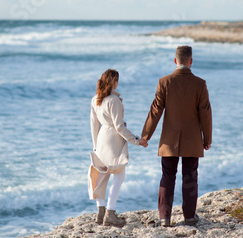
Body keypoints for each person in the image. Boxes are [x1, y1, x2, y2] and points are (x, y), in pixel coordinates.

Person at [141, 45, 212, 227]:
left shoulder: (164, 82)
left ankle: (164, 217)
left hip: (169, 141)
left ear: (175, 61)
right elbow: (205, 113)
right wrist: (207, 139)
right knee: (190, 176)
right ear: (191, 61)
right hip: (192, 139)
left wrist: (146, 135)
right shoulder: (200, 84)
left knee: (167, 176)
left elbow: (155, 110)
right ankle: (189, 217)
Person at [88, 69, 148, 227]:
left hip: (101, 138)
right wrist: (137, 140)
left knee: (101, 176)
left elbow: (94, 125)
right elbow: (119, 127)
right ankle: (110, 213)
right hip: (113, 138)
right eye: (117, 81)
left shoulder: (95, 99)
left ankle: (100, 212)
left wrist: (95, 145)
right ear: (114, 82)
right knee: (119, 176)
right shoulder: (114, 100)